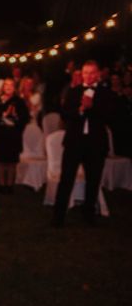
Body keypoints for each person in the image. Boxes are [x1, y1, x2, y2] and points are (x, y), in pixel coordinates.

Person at [52, 61, 116, 227]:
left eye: (92, 73)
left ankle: (89, 214)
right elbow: (65, 114)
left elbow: (110, 117)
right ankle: (58, 216)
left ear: (98, 74)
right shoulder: (74, 92)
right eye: (86, 73)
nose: (88, 76)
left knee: (93, 180)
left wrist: (91, 107)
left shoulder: (106, 93)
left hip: (95, 143)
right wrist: (80, 109)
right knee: (66, 179)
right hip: (74, 142)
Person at [0, 78, 29, 193]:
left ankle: (10, 185)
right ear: (3, 87)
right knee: (0, 161)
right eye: (6, 84)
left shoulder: (19, 101)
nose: (8, 87)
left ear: (14, 87)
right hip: (0, 135)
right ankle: (1, 184)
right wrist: (4, 114)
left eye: (11, 85)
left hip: (13, 135)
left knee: (12, 162)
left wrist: (15, 116)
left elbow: (25, 118)